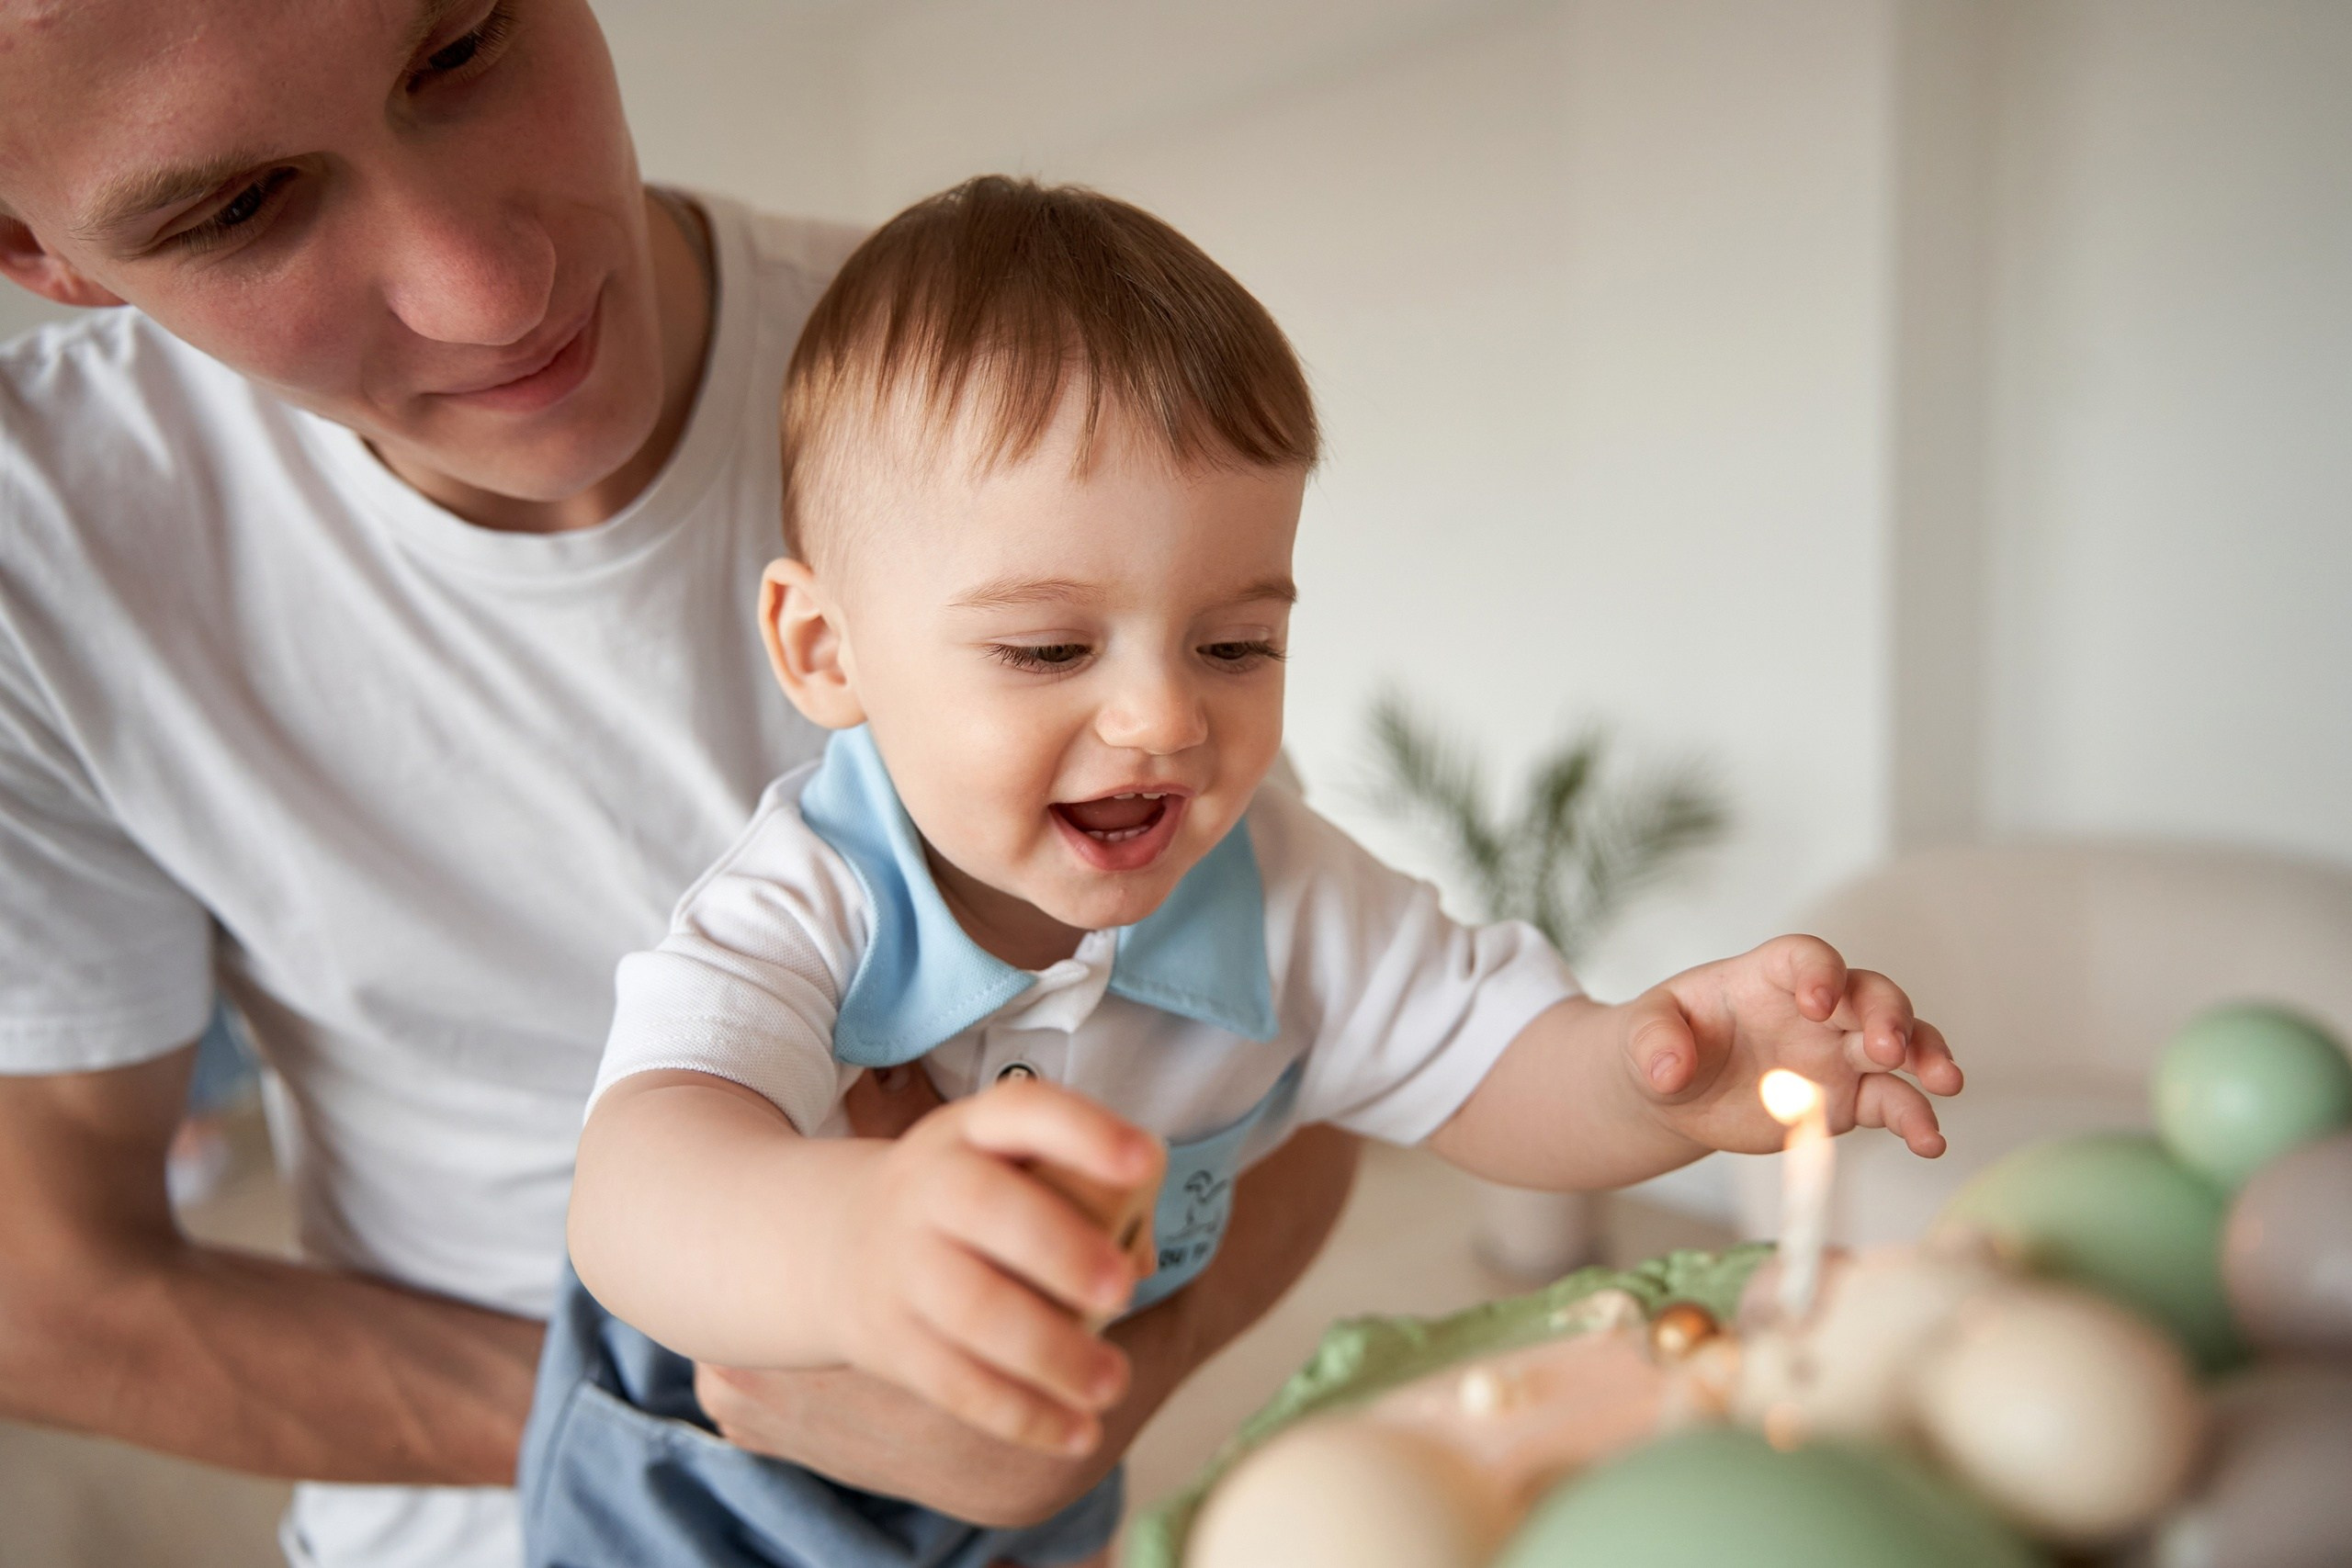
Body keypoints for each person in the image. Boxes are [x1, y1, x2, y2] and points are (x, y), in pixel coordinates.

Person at [0, 5, 1362, 1567]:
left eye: (463, 47)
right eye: (239, 208)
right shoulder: (43, 553)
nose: (491, 288)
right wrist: (718, 1398)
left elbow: (1310, 1028)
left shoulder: (1012, 389)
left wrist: (1076, 1392)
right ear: (37, 251)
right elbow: (47, 1291)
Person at [543, 176, 1964, 1568]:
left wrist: (1658, 1079)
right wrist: (854, 1246)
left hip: (1035, 1481)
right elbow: (639, 1184)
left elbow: (1487, 1067)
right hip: (693, 1496)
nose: (1164, 718)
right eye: (1048, 649)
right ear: (823, 651)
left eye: (1234, 646)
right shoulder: (806, 898)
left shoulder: (1281, 887)